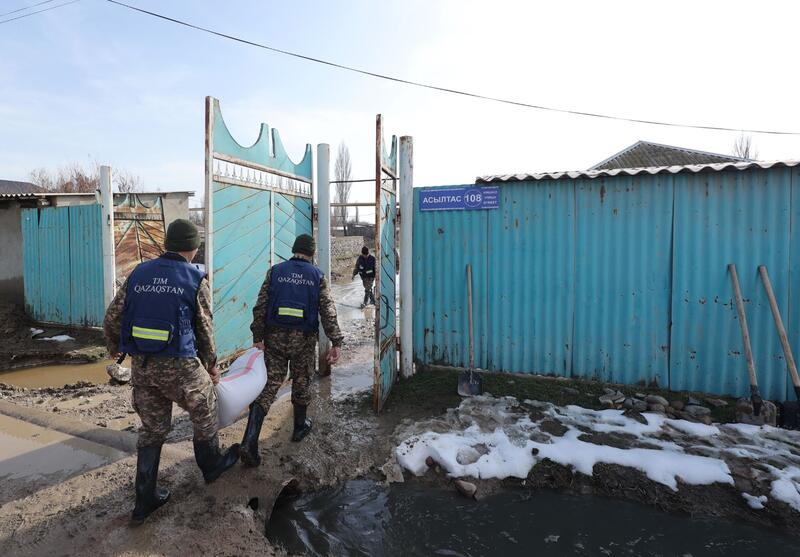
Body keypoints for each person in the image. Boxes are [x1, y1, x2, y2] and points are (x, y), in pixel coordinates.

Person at [103, 219, 239, 525]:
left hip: (143, 367)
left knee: (152, 429)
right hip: (181, 367)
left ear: (167, 244)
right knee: (206, 411)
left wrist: (114, 347)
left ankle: (144, 500)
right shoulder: (195, 279)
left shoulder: (138, 273)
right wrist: (212, 365)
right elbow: (205, 330)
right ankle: (212, 467)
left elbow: (112, 317)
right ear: (193, 248)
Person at [239, 234, 344, 467]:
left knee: (269, 386)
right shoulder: (317, 276)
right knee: (302, 380)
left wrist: (258, 337)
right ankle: (299, 427)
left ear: (294, 250)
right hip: (303, 340)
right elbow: (328, 311)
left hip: (274, 338)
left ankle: (249, 441)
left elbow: (260, 306)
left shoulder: (275, 272)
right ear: (312, 253)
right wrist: (336, 342)